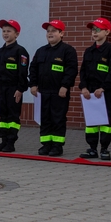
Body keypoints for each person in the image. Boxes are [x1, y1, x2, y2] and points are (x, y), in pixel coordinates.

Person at [29, 20, 78, 156]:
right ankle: (46, 145)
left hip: (59, 92)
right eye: (48, 31)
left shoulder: (68, 51)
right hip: (43, 92)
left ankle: (57, 146)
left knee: (58, 119)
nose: (50, 33)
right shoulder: (41, 51)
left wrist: (65, 86)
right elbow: (33, 69)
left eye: (54, 31)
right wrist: (33, 84)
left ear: (61, 34)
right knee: (45, 119)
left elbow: (71, 70)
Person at [78, 17, 111, 160]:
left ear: (107, 32)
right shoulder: (89, 51)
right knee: (91, 122)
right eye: (93, 30)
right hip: (89, 93)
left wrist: (103, 87)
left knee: (104, 122)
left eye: (98, 29)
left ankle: (104, 149)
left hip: (103, 92)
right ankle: (92, 148)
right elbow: (83, 71)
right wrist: (83, 87)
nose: (95, 32)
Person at [0, 19, 29, 153]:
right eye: (3, 31)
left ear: (17, 34)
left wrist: (20, 89)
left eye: (9, 31)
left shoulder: (20, 51)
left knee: (13, 116)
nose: (5, 33)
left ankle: (11, 142)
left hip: (14, 88)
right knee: (3, 115)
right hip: (2, 88)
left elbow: (23, 72)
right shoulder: (0, 51)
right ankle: (3, 140)